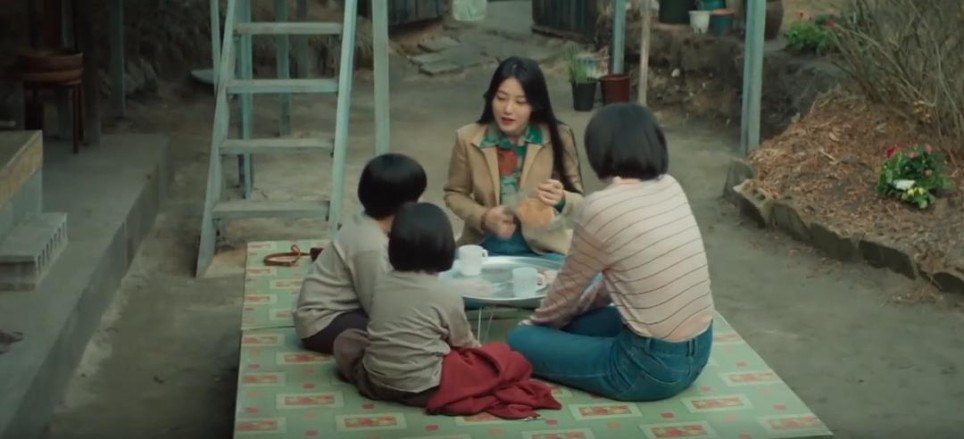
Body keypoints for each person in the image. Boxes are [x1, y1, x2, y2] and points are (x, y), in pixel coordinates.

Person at [506, 103, 715, 402]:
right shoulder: (670, 185)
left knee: (520, 339)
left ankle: (536, 339)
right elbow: (616, 279)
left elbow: (567, 289)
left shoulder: (601, 207)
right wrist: (567, 318)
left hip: (646, 368)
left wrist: (535, 328)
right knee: (574, 321)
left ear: (599, 150)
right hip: (700, 350)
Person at [332, 202, 480, 407]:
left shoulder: (382, 282)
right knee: (493, 361)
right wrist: (485, 354)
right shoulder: (447, 294)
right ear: (446, 248)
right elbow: (463, 343)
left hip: (375, 383)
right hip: (425, 389)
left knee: (346, 340)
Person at [444, 56, 584, 261]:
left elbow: (580, 202)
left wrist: (561, 198)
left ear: (535, 105)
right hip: (485, 246)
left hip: (545, 249)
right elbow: (454, 193)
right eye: (501, 98)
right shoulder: (467, 138)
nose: (508, 109)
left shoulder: (558, 136)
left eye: (520, 102)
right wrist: (484, 217)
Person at [293, 153, 427, 354]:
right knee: (405, 334)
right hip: (322, 323)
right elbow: (378, 307)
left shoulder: (366, 219)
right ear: (403, 206)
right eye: (419, 196)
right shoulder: (370, 247)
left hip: (343, 308)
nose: (423, 201)